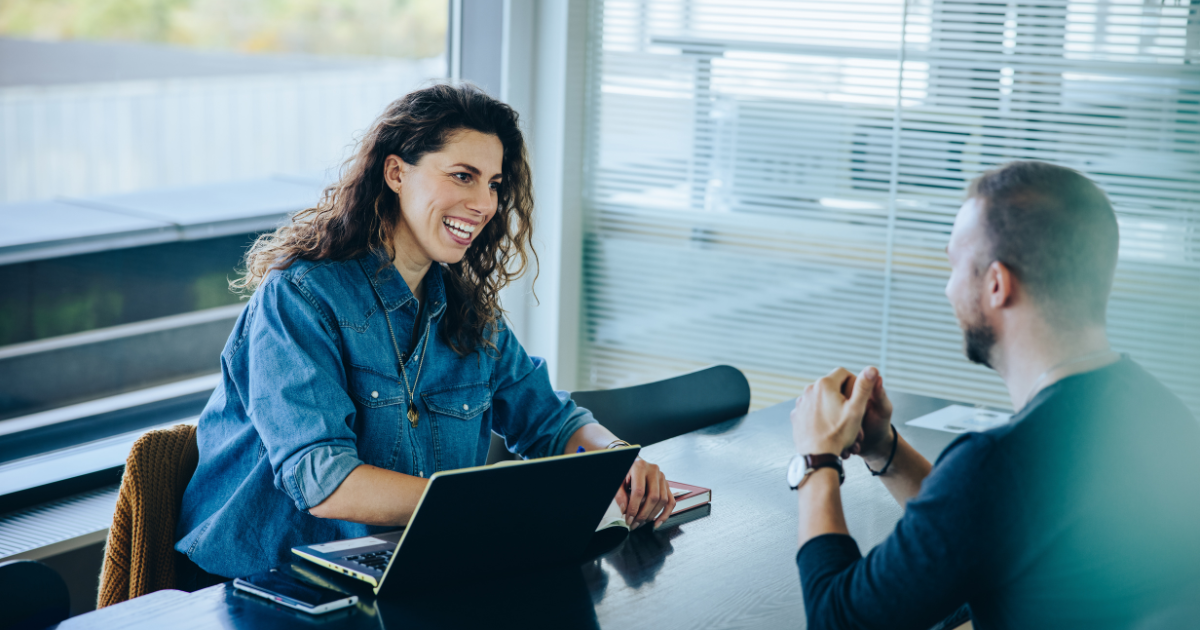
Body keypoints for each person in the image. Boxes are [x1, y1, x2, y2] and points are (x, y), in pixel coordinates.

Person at [175, 84, 674, 583]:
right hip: (262, 581)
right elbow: (323, 481)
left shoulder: (469, 311)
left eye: (495, 184)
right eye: (463, 176)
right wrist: (481, 508)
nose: (485, 204)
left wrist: (615, 461)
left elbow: (550, 421)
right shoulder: (301, 297)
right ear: (396, 172)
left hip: (404, 562)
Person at [787, 161, 1200, 629]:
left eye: (952, 264)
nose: (946, 289)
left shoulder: (1001, 463)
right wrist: (884, 448)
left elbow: (836, 620)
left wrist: (816, 459)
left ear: (997, 284)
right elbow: (985, 526)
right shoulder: (1162, 413)